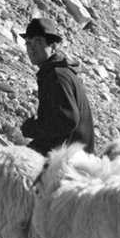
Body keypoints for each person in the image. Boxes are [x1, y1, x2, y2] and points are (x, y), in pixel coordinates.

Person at [19, 17, 95, 155]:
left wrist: (31, 128)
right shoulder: (55, 72)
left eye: (38, 42)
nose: (31, 49)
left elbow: (67, 120)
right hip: (69, 152)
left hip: (68, 157)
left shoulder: (57, 76)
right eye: (28, 43)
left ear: (53, 46)